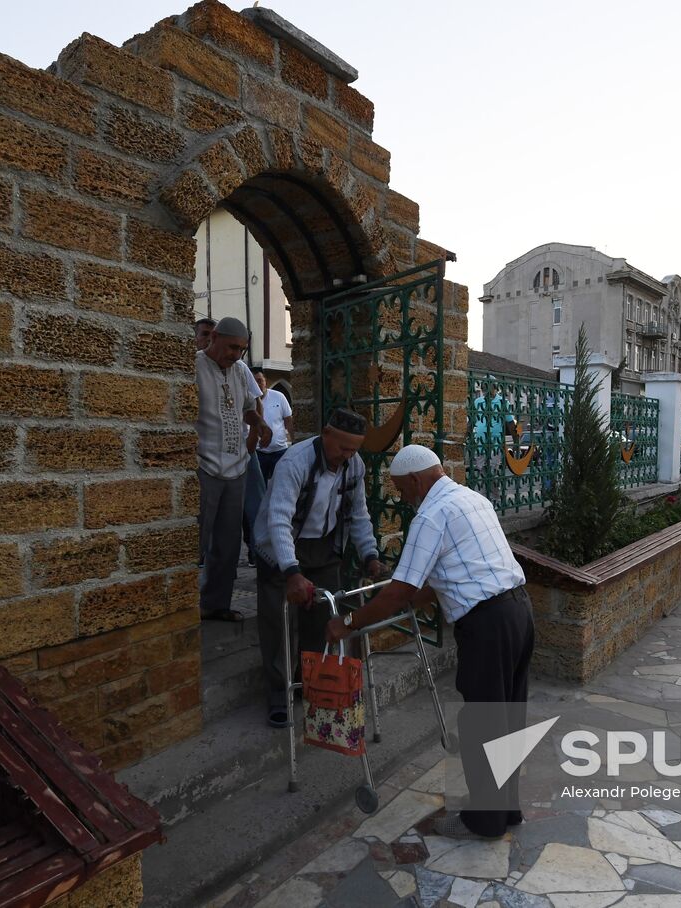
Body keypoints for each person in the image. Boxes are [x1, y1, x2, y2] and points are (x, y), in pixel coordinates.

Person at [326, 444, 533, 839]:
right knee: (507, 717)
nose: (402, 498)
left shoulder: (431, 515)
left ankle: (484, 822)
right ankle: (506, 811)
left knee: (482, 721)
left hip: (488, 624)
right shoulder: (471, 499)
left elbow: (400, 589)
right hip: (519, 611)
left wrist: (349, 622)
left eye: (402, 489)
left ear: (418, 480)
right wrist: (406, 606)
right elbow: (442, 579)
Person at [252, 408, 385, 728]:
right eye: (342, 447)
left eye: (354, 449)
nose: (347, 455)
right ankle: (277, 693)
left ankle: (309, 681)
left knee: (321, 619)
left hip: (324, 547)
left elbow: (358, 515)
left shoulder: (354, 466)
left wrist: (370, 554)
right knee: (277, 623)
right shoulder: (294, 463)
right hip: (279, 547)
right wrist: (291, 572)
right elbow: (279, 519)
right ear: (326, 434)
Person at [195, 317, 270, 622]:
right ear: (213, 338)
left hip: (236, 466)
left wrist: (260, 425)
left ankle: (216, 604)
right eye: (231, 347)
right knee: (195, 540)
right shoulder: (195, 366)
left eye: (241, 349)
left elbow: (248, 409)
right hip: (204, 465)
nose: (236, 354)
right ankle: (181, 607)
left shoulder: (240, 371)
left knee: (228, 544)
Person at [254, 368, 294, 482]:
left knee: (281, 483)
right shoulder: (249, 401)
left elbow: (288, 421)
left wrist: (294, 442)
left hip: (280, 452)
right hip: (259, 453)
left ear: (265, 381)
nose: (257, 384)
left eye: (259, 380)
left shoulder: (279, 397)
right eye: (254, 381)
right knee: (260, 486)